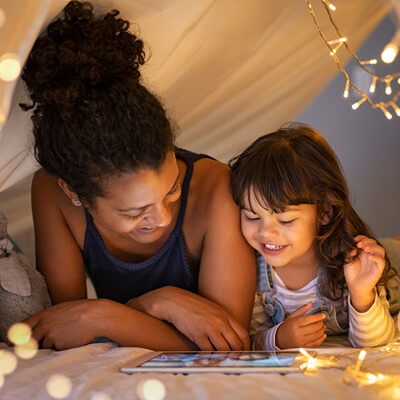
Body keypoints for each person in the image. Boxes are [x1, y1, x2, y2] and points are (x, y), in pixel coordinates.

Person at [20, 1, 256, 351]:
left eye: (173, 189)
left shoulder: (217, 188)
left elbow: (229, 346)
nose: (161, 217)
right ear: (75, 193)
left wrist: (119, 311)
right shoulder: (50, 192)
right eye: (133, 212)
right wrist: (129, 311)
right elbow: (66, 326)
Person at [229, 123, 399, 350]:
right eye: (252, 217)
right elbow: (249, 341)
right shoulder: (251, 273)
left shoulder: (354, 264)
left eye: (285, 220)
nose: (265, 232)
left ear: (324, 212)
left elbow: (377, 342)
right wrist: (278, 339)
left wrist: (361, 294)